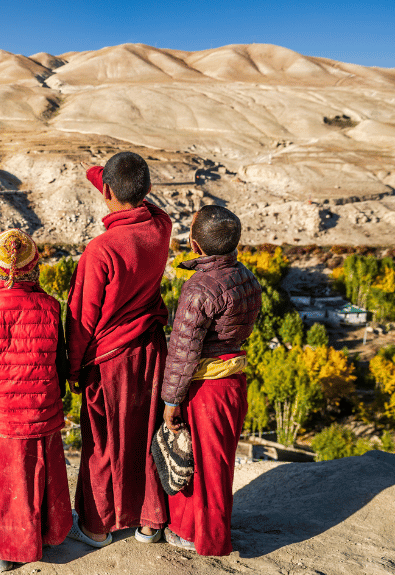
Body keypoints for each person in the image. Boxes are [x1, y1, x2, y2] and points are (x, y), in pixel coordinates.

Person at [65, 152, 172, 548]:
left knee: (103, 444)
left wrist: (74, 371)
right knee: (147, 434)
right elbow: (142, 201)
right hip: (151, 351)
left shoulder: (101, 250)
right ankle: (149, 522)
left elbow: (81, 321)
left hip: (109, 362)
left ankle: (97, 526)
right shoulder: (161, 227)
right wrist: (109, 178)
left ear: (106, 191)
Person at [0, 229, 73, 572]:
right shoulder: (50, 307)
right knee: (39, 477)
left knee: (1, 482)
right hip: (40, 412)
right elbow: (60, 365)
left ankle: (2, 551)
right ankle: (45, 537)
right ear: (34, 268)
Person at [161, 204, 262, 555]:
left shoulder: (198, 289)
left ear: (194, 244)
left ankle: (205, 538)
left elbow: (182, 351)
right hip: (233, 379)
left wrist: (171, 401)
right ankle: (198, 529)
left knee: (201, 467)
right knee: (217, 462)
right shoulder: (247, 277)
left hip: (206, 387)